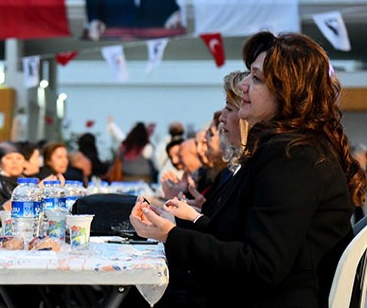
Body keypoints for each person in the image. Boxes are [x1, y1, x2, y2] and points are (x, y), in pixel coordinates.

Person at [131, 31, 366, 306]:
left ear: (287, 93)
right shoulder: (290, 149)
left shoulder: (293, 156)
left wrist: (171, 236)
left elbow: (261, 265)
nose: (242, 85)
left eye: (256, 78)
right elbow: (243, 238)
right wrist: (178, 225)